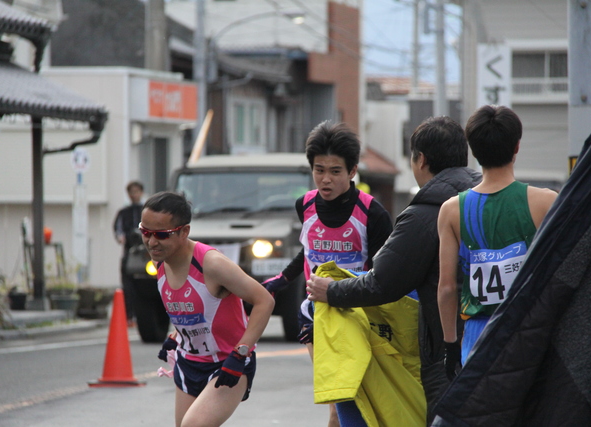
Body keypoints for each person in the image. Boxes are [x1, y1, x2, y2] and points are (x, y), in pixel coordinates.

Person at [306, 116, 481, 423]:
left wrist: (331, 291)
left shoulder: (424, 214)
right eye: (319, 170)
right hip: (503, 339)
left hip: (448, 349)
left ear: (420, 159)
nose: (325, 178)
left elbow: (382, 283)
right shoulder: (490, 202)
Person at [262, 120, 393, 427]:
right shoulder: (304, 205)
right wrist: (279, 281)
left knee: (352, 400)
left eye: (335, 171)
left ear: (352, 171)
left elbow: (384, 271)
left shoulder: (373, 213)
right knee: (339, 399)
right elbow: (306, 250)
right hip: (315, 315)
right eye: (319, 170)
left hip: (357, 316)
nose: (326, 179)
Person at [437, 105, 557, 379]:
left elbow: (446, 288)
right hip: (529, 332)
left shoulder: (452, 210)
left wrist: (450, 345)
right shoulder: (546, 202)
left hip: (477, 337)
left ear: (474, 150)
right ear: (516, 147)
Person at [140, 191, 274, 427]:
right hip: (190, 362)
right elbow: (197, 311)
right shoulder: (160, 259)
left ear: (184, 232)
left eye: (161, 234)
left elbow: (264, 301)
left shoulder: (211, 264)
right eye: (145, 232)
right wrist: (177, 336)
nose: (151, 242)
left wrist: (240, 353)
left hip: (227, 364)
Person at [113, 180, 145, 327]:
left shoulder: (147, 210)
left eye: (137, 191)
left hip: (146, 253)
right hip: (129, 252)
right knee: (127, 285)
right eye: (132, 192)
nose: (134, 195)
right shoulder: (123, 212)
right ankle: (129, 316)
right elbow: (118, 231)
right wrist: (122, 238)